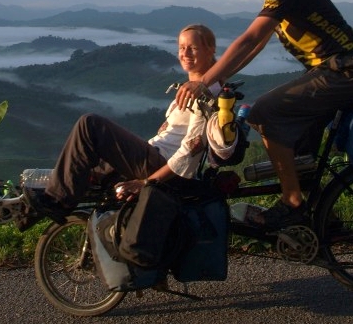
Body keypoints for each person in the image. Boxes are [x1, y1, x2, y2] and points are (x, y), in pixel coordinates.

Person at [175, 0, 353, 230]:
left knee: (263, 114)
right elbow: (256, 47)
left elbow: (249, 38)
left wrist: (203, 81)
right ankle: (323, 222)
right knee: (299, 148)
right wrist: (219, 81)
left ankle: (292, 203)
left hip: (347, 71)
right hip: (334, 71)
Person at [23, 24, 221, 227]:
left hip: (164, 167)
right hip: (155, 155)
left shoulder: (206, 95)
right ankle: (31, 210)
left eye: (193, 48)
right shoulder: (192, 90)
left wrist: (146, 182)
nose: (185, 53)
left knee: (90, 125)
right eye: (181, 47)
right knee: (86, 161)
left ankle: (57, 202)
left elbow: (190, 152)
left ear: (211, 49)